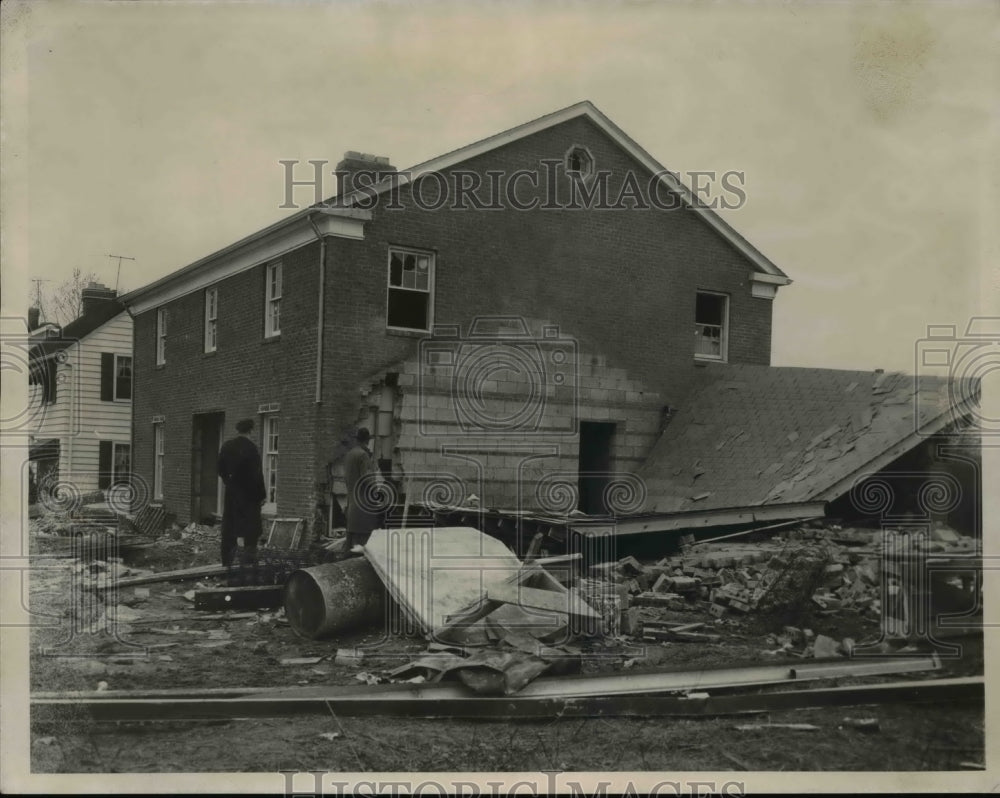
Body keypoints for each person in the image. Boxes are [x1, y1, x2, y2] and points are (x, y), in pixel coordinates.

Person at [217, 418, 267, 567]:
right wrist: (262, 495)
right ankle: (249, 563)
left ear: (238, 430)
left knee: (229, 528)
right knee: (251, 529)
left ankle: (227, 563)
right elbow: (257, 475)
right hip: (250, 496)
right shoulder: (251, 449)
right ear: (250, 431)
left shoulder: (226, 446)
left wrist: (229, 483)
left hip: (232, 495)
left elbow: (220, 469)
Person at [343, 427, 383, 551]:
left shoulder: (350, 454)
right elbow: (367, 478)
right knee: (362, 547)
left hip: (352, 506)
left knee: (351, 545)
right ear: (367, 441)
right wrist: (377, 492)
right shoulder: (363, 455)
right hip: (363, 507)